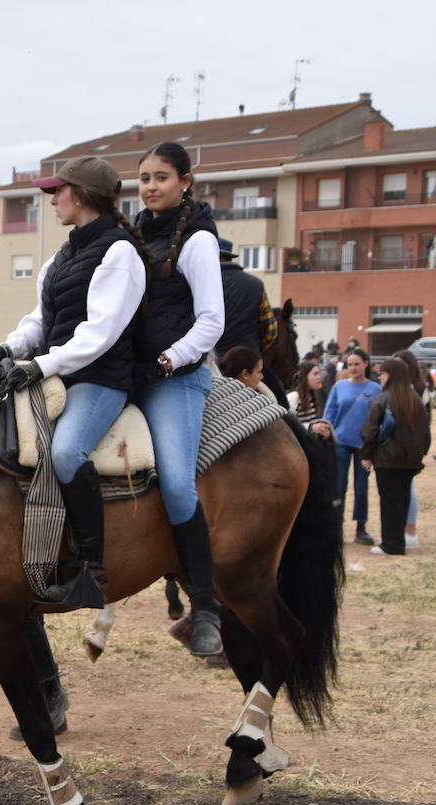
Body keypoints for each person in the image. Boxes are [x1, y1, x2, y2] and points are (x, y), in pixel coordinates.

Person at [0, 153, 150, 732]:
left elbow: (99, 335)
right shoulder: (64, 253)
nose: (52, 199)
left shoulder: (120, 253)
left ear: (84, 195)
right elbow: (40, 321)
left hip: (100, 381)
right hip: (56, 372)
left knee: (67, 453)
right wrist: (8, 350)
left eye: (58, 191)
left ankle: (91, 567)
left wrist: (39, 364)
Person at [130, 141, 226, 656]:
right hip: (129, 375)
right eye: (144, 178)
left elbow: (212, 321)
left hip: (176, 378)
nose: (150, 187)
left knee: (175, 483)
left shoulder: (199, 241)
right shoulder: (134, 234)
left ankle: (206, 606)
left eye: (161, 177)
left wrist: (167, 361)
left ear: (186, 181)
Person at [360, 358, 431, 555]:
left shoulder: (383, 398)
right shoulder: (414, 398)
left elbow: (370, 429)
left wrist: (366, 454)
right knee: (402, 499)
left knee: (390, 501)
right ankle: (398, 539)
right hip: (411, 460)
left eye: (382, 373)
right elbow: (426, 432)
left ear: (389, 375)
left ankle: (391, 543)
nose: (380, 376)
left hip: (387, 459)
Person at [323, 347, 380, 545]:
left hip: (364, 445)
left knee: (362, 488)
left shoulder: (375, 389)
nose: (353, 368)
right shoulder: (339, 387)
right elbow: (329, 413)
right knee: (338, 487)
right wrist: (326, 433)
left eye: (357, 364)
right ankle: (336, 527)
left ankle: (361, 527)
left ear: (366, 364)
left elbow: (379, 418)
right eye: (350, 365)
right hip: (340, 442)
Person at [214, 238, 283, 402]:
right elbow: (271, 331)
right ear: (230, 257)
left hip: (209, 360)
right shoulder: (255, 284)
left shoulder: (199, 281)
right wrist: (252, 352)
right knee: (280, 404)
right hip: (246, 363)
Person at [393, 350, 432, 549]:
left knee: (408, 488)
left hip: (408, 445)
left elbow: (425, 421)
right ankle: (401, 530)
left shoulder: (417, 389)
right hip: (397, 445)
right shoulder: (396, 388)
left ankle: (410, 530)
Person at [288, 359, 331, 433]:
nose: (319, 377)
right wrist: (311, 427)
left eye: (319, 373)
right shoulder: (294, 397)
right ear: (305, 377)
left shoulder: (312, 396)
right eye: (315, 374)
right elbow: (288, 425)